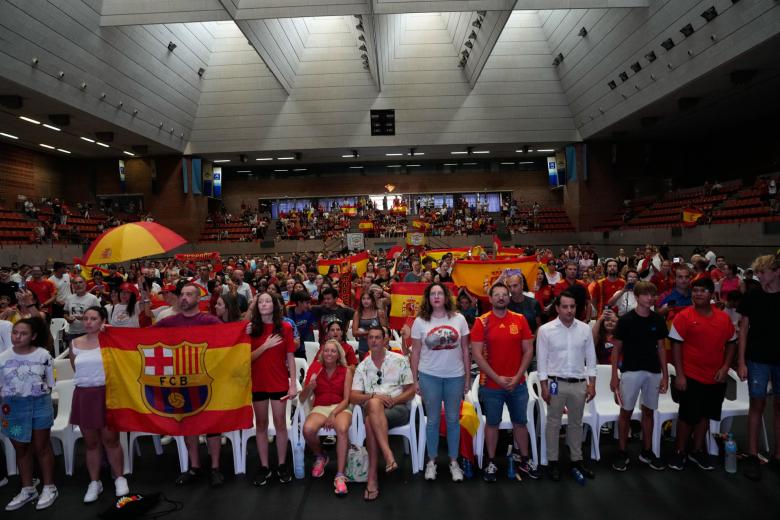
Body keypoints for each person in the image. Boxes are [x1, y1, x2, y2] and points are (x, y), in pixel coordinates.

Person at [154, 284, 224, 486]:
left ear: (199, 298)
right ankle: (194, 467)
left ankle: (215, 467)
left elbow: (230, 338)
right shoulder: (168, 322)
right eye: (182, 294)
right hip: (181, 381)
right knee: (187, 424)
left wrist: (243, 329)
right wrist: (109, 332)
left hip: (206, 380)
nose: (184, 298)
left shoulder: (210, 321)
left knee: (212, 425)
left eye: (189, 294)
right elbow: (142, 337)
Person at [470, 283, 537, 482]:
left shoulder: (520, 319)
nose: (500, 297)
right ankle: (491, 462)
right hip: (491, 385)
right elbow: (477, 355)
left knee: (520, 423)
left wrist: (517, 377)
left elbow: (528, 351)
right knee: (492, 423)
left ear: (509, 297)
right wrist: (497, 378)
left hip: (518, 384)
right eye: (496, 295)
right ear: (489, 299)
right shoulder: (481, 322)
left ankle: (525, 460)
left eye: (504, 294)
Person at [668, 277, 736, 471]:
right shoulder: (684, 316)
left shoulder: (723, 318)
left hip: (715, 378)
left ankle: (697, 451)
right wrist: (680, 376)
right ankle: (680, 451)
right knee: (687, 417)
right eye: (695, 290)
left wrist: (725, 368)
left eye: (702, 290)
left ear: (711, 294)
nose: (698, 293)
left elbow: (732, 342)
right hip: (690, 376)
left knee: (705, 416)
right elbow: (676, 346)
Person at [410, 283, 470, 482]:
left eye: (440, 293)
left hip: (455, 376)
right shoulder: (419, 322)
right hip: (429, 376)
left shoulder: (459, 319)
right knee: (433, 421)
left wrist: (468, 378)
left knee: (453, 420)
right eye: (432, 294)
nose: (436, 297)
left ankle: (454, 462)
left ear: (446, 297)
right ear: (428, 298)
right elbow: (416, 352)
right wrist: (414, 379)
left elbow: (465, 351)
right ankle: (431, 462)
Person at [69, 307, 129, 501]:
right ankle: (94, 482)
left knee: (111, 440)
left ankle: (119, 477)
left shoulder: (111, 339)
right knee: (91, 443)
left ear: (103, 320)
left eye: (93, 318)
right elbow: (74, 368)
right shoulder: (74, 343)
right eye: (85, 318)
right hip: (85, 395)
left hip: (108, 394)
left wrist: (109, 330)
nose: (88, 322)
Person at [536, 292, 597, 482]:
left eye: (572, 306)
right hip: (555, 383)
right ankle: (553, 461)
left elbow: (591, 358)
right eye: (565, 306)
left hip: (579, 383)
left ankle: (576, 460)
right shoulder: (546, 330)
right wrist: (544, 386)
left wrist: (592, 383)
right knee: (553, 423)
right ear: (557, 308)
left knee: (576, 423)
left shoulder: (585, 329)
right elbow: (542, 361)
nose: (569, 310)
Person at [350, 326, 415, 501]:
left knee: (371, 419)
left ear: (385, 340)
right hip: (373, 410)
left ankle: (373, 478)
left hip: (397, 408)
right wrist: (374, 396)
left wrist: (395, 400)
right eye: (371, 337)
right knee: (372, 407)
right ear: (367, 340)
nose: (374, 341)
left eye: (378, 337)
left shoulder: (399, 360)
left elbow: (411, 391)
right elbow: (353, 396)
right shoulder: (363, 366)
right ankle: (387, 456)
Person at [609, 282, 669, 472]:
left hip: (653, 371)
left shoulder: (658, 320)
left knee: (649, 411)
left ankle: (647, 450)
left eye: (653, 294)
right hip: (630, 371)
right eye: (646, 294)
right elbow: (616, 349)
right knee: (625, 412)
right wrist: (614, 376)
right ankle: (622, 451)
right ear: (637, 297)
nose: (650, 298)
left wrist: (665, 375)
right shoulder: (626, 320)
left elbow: (661, 348)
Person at [0, 318, 58, 510]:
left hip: (39, 405)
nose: (17, 337)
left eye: (23, 333)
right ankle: (27, 488)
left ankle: (49, 486)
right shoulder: (3, 357)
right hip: (12, 408)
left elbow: (51, 383)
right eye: (15, 332)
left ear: (33, 336)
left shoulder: (43, 355)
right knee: (21, 448)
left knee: (41, 446)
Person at [737, 254, 780, 480]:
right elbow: (743, 330)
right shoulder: (753, 297)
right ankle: (752, 455)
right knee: (757, 404)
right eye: (759, 272)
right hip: (757, 358)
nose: (759, 276)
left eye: (763, 272)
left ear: (776, 272)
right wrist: (741, 361)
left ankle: (778, 455)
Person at [248, 292, 297, 486]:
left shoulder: (285, 327)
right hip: (258, 383)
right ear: (256, 305)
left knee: (280, 424)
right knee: (261, 425)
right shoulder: (251, 329)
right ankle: (264, 466)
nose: (264, 304)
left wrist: (293, 383)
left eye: (268, 301)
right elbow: (247, 359)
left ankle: (282, 464)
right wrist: (266, 345)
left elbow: (291, 358)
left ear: (274, 305)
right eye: (260, 301)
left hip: (278, 382)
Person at [299, 340, 354, 495]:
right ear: (322, 353)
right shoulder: (316, 369)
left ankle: (340, 475)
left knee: (342, 428)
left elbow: (346, 399)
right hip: (320, 406)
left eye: (333, 351)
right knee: (307, 429)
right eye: (326, 351)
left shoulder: (346, 371)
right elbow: (302, 398)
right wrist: (310, 386)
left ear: (338, 355)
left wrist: (333, 413)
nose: (329, 353)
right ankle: (321, 456)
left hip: (340, 406)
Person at [63, 276, 100, 343]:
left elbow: (100, 315)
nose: (78, 285)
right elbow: (65, 313)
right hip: (72, 333)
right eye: (75, 283)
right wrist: (68, 319)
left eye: (80, 282)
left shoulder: (93, 298)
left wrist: (85, 318)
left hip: (88, 332)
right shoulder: (69, 298)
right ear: (73, 286)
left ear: (85, 284)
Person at [353, 291, 387, 358]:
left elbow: (384, 330)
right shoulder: (358, 313)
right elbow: (354, 333)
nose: (365, 301)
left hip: (377, 345)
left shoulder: (379, 312)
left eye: (368, 299)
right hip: (363, 345)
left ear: (373, 300)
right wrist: (369, 332)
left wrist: (367, 333)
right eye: (363, 299)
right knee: (364, 367)